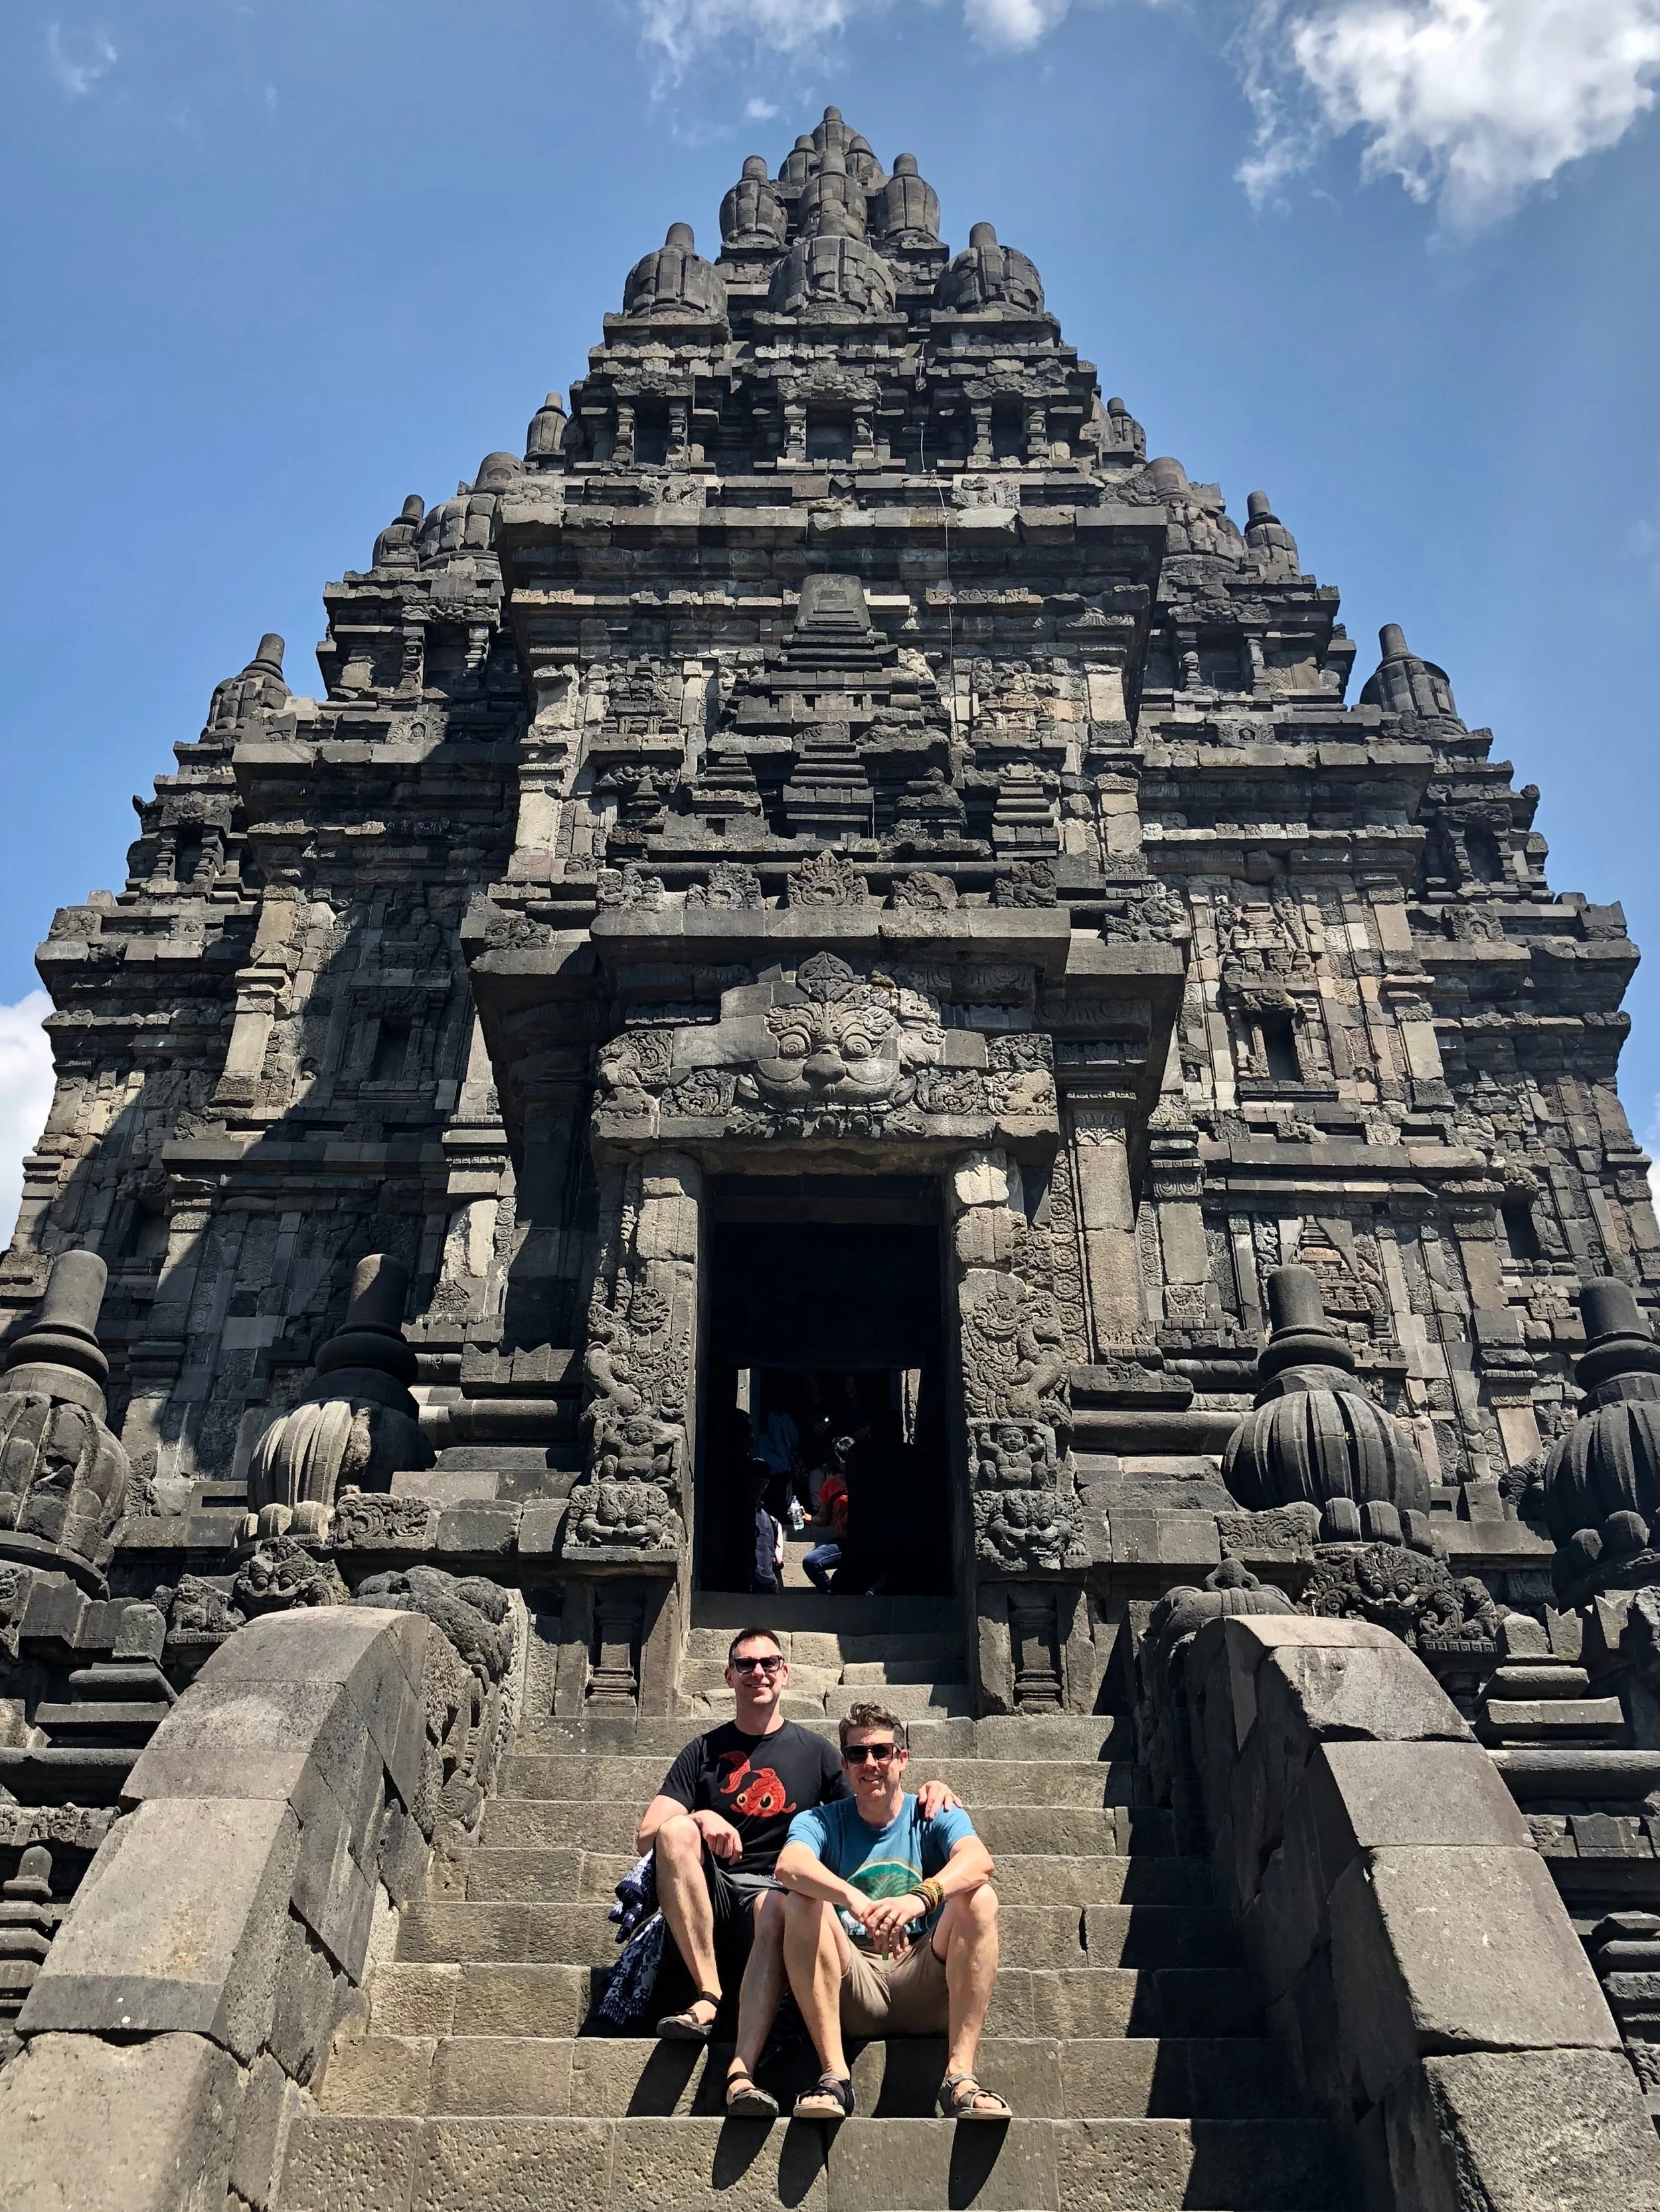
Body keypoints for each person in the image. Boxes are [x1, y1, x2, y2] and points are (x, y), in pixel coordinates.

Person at [632, 1632, 963, 2118]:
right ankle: (708, 1993)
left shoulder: (816, 1753)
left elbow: (868, 1801)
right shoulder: (702, 1751)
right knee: (675, 1831)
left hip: (782, 1896)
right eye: (745, 1665)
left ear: (785, 1673)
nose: (758, 1673)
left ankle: (741, 2071)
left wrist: (930, 1788)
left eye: (769, 1662)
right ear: (729, 1677)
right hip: (715, 1890)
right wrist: (701, 1818)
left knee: (781, 1902)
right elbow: (647, 1836)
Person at [774, 1701, 1010, 2122]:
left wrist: (917, 1900)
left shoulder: (933, 1813)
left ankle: (960, 2078)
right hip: (852, 1984)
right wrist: (856, 1902)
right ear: (844, 1765)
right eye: (856, 1754)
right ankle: (834, 2078)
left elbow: (979, 1861)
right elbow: (790, 1866)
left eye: (881, 1752)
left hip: (923, 1977)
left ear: (902, 1758)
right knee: (802, 1898)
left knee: (980, 1897)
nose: (870, 1763)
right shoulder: (822, 1821)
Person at [803, 1437, 851, 1593]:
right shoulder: (830, 1485)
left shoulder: (868, 1480)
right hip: (843, 1541)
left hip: (866, 1542)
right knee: (811, 1562)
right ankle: (834, 1595)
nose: (844, 1462)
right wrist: (805, 1517)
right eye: (842, 1458)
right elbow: (823, 1519)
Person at [750, 1468, 784, 1595]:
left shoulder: (771, 1521)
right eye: (755, 1482)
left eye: (762, 1483)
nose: (758, 1488)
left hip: (767, 1586)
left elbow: (778, 1561)